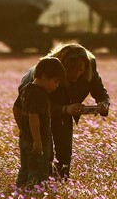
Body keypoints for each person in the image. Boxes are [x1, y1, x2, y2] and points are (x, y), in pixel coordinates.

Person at [16, 43, 110, 179]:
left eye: (80, 70)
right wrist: (64, 109)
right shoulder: (46, 73)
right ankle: (40, 182)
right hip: (39, 113)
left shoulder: (89, 67)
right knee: (44, 150)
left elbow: (100, 91)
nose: (76, 74)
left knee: (64, 151)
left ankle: (60, 181)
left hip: (65, 111)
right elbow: (34, 107)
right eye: (72, 70)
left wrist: (103, 104)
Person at [13, 57, 66, 187]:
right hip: (39, 141)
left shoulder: (26, 89)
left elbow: (16, 109)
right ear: (44, 76)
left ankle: (20, 191)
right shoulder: (40, 95)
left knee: (25, 169)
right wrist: (37, 140)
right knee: (38, 173)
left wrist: (22, 129)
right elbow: (34, 116)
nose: (56, 86)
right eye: (55, 81)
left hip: (24, 139)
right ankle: (33, 196)